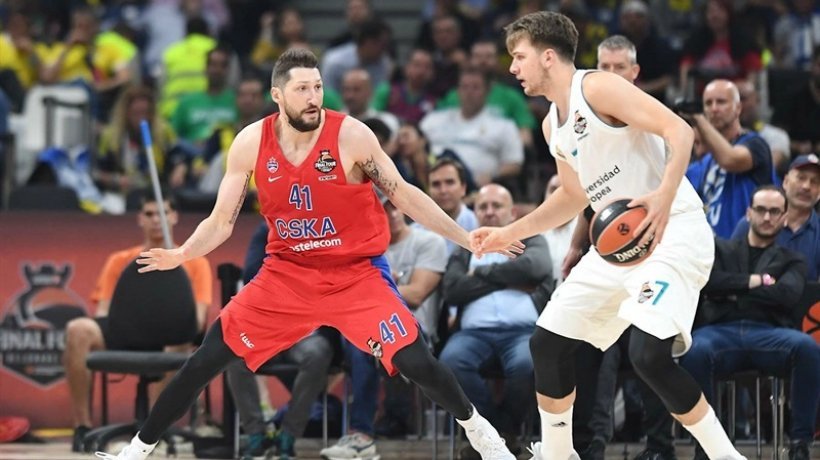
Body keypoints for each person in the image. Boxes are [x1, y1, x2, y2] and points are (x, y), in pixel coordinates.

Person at [94, 47, 517, 460]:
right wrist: (183, 252)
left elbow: (403, 194)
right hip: (288, 275)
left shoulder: (351, 135)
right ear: (277, 95)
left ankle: (484, 436)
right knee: (205, 360)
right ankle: (137, 450)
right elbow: (221, 221)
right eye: (302, 90)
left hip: (355, 273)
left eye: (317, 87)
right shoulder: (251, 142)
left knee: (417, 361)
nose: (313, 97)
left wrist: (466, 238)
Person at [471, 12, 745, 460]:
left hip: (671, 227)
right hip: (619, 245)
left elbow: (680, 129)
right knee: (548, 342)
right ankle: (559, 455)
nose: (513, 68)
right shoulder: (550, 126)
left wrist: (662, 194)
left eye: (518, 57)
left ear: (547, 56)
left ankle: (725, 456)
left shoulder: (596, 87)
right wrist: (508, 232)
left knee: (648, 355)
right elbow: (573, 197)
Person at [64, 193, 212, 453]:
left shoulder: (196, 263)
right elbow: (104, 313)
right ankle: (82, 428)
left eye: (164, 213)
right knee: (78, 329)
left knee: (179, 340)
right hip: (124, 334)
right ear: (139, 219)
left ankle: (153, 431)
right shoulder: (119, 261)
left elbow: (197, 321)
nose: (157, 220)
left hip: (172, 337)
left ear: (174, 217)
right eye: (149, 214)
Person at [680, 185, 818, 460]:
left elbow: (787, 296)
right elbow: (708, 283)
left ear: (784, 216)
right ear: (748, 213)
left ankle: (800, 443)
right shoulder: (720, 248)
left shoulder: (794, 259)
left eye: (774, 211)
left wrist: (732, 293)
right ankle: (706, 446)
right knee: (693, 350)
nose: (767, 217)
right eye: (761, 210)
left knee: (808, 347)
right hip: (719, 333)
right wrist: (755, 282)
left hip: (770, 334)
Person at [441, 184, 553, 459]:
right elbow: (453, 289)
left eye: (497, 206)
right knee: (450, 361)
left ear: (512, 212)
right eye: (483, 207)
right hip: (473, 335)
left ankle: (507, 431)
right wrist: (511, 280)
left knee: (528, 364)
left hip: (522, 332)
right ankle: (489, 433)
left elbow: (536, 267)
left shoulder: (530, 238)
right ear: (475, 213)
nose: (489, 212)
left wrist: (480, 275)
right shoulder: (465, 244)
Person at [683, 79, 775, 238]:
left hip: (744, 250)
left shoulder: (755, 144)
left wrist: (698, 118)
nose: (714, 109)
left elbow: (730, 159)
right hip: (712, 251)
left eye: (721, 102)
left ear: (738, 108)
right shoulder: (707, 161)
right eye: (708, 103)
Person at [731, 154, 819, 280]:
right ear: (786, 182)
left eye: (814, 181)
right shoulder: (750, 223)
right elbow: (729, 272)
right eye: (801, 178)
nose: (806, 186)